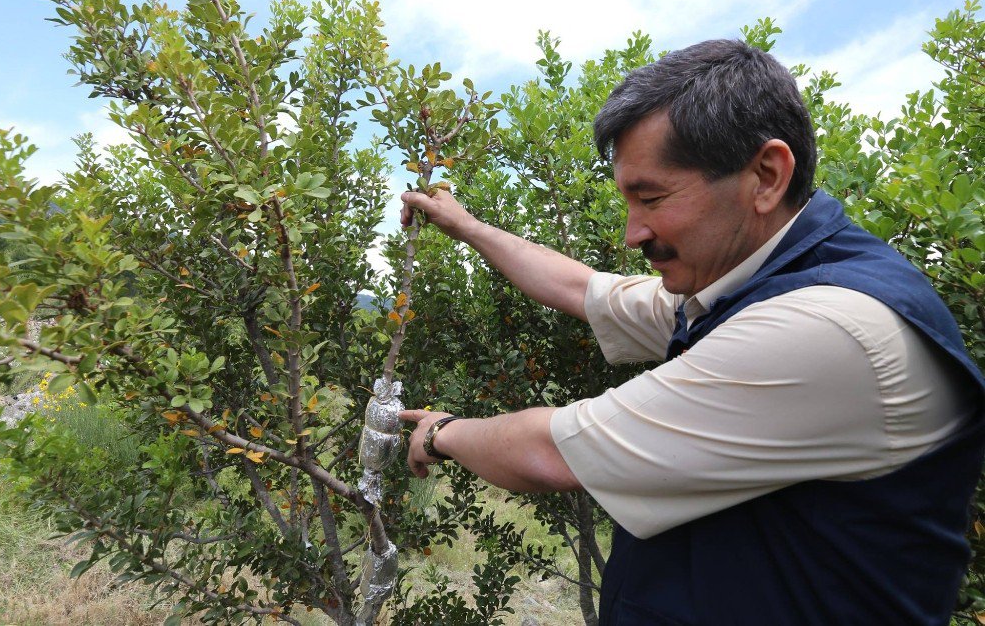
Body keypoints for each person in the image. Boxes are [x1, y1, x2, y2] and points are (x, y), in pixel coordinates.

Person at [397, 39, 985, 624]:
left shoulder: (828, 326)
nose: (633, 233)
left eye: (651, 197)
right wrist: (466, 226)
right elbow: (582, 289)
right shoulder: (744, 283)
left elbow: (549, 453)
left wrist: (440, 433)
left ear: (766, 176)